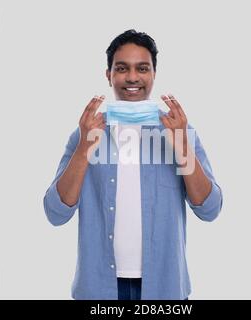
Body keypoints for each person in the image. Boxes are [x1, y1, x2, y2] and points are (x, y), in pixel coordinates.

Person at [43, 29, 223, 300]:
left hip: (165, 289)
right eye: (121, 68)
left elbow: (209, 210)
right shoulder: (86, 133)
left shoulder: (180, 132)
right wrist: (83, 150)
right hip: (98, 289)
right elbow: (56, 214)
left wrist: (183, 146)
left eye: (142, 68)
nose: (132, 77)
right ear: (109, 75)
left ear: (153, 74)